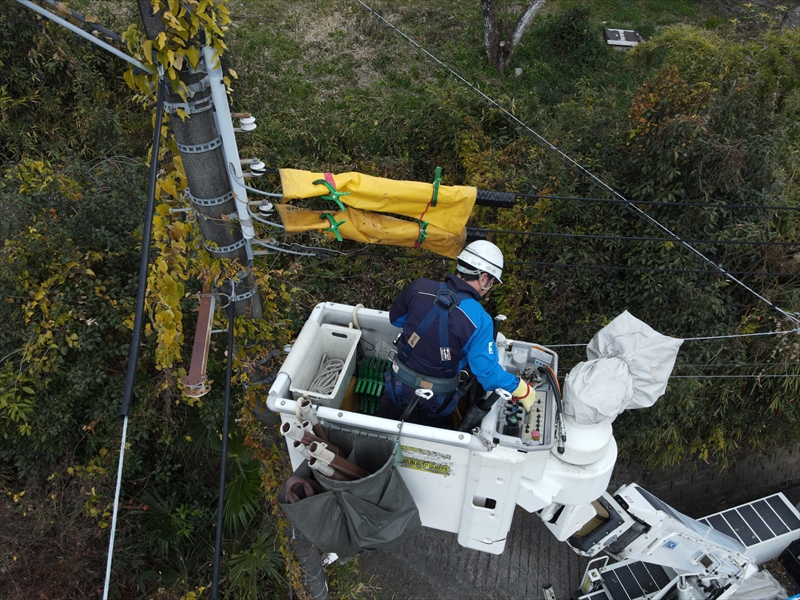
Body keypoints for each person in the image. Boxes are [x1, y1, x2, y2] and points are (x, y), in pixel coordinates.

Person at [379, 240, 534, 428]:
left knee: (384, 428)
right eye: (492, 282)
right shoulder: (480, 320)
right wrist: (520, 388)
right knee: (427, 439)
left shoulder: (419, 287)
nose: (490, 287)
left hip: (397, 387)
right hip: (436, 401)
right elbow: (487, 374)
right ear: (483, 278)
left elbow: (396, 320)